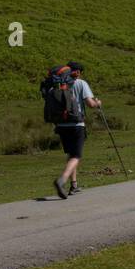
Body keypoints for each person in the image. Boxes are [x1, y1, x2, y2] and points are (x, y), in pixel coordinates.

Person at [53, 62, 102, 199]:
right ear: (78, 72)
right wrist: (98, 103)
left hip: (61, 125)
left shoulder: (59, 85)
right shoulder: (81, 83)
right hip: (76, 124)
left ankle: (73, 185)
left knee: (70, 154)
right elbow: (91, 104)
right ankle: (61, 180)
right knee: (76, 156)